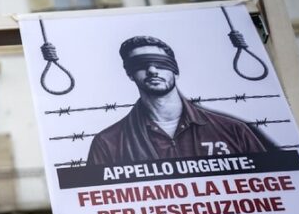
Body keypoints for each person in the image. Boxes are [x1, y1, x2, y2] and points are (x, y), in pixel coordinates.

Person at [87, 36, 274, 165]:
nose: (152, 70)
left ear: (175, 69)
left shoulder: (233, 131)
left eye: (160, 63)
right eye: (141, 64)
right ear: (130, 74)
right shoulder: (108, 143)